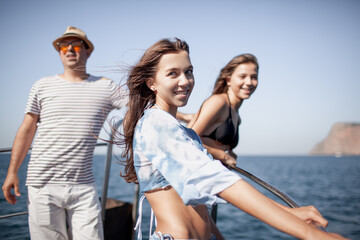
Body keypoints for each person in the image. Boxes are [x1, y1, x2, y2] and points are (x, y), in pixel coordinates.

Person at [119, 38, 347, 240]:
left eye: (189, 71)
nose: (185, 81)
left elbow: (201, 211)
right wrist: (310, 234)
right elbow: (216, 180)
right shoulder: (155, 124)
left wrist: (290, 213)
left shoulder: (183, 133)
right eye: (173, 73)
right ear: (152, 83)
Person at [2, 26, 127, 240]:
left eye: (76, 44)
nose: (69, 49)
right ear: (59, 52)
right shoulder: (42, 86)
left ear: (88, 51)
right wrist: (12, 171)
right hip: (42, 184)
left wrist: (184, 117)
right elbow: (27, 128)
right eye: (63, 45)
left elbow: (139, 105)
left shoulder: (106, 87)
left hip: (84, 185)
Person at [188, 54, 258, 168]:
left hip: (212, 174)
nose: (249, 82)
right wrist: (223, 156)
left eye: (254, 77)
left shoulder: (236, 115)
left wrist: (229, 153)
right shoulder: (219, 102)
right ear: (228, 80)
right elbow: (188, 140)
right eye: (242, 76)